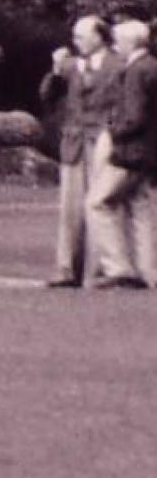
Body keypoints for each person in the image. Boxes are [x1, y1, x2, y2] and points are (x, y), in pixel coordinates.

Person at [41, 16, 120, 289]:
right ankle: (66, 269)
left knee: (98, 206)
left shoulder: (118, 64)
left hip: (102, 141)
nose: (76, 42)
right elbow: (46, 97)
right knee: (70, 209)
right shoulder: (69, 67)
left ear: (99, 37)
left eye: (81, 36)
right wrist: (54, 71)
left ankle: (96, 271)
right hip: (74, 143)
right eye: (75, 36)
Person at [88, 17, 157, 290]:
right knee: (139, 209)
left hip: (130, 152)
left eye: (117, 42)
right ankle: (147, 271)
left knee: (98, 202)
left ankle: (119, 268)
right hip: (149, 155)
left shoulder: (136, 71)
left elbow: (134, 116)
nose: (115, 47)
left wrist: (112, 132)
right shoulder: (152, 66)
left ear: (130, 43)